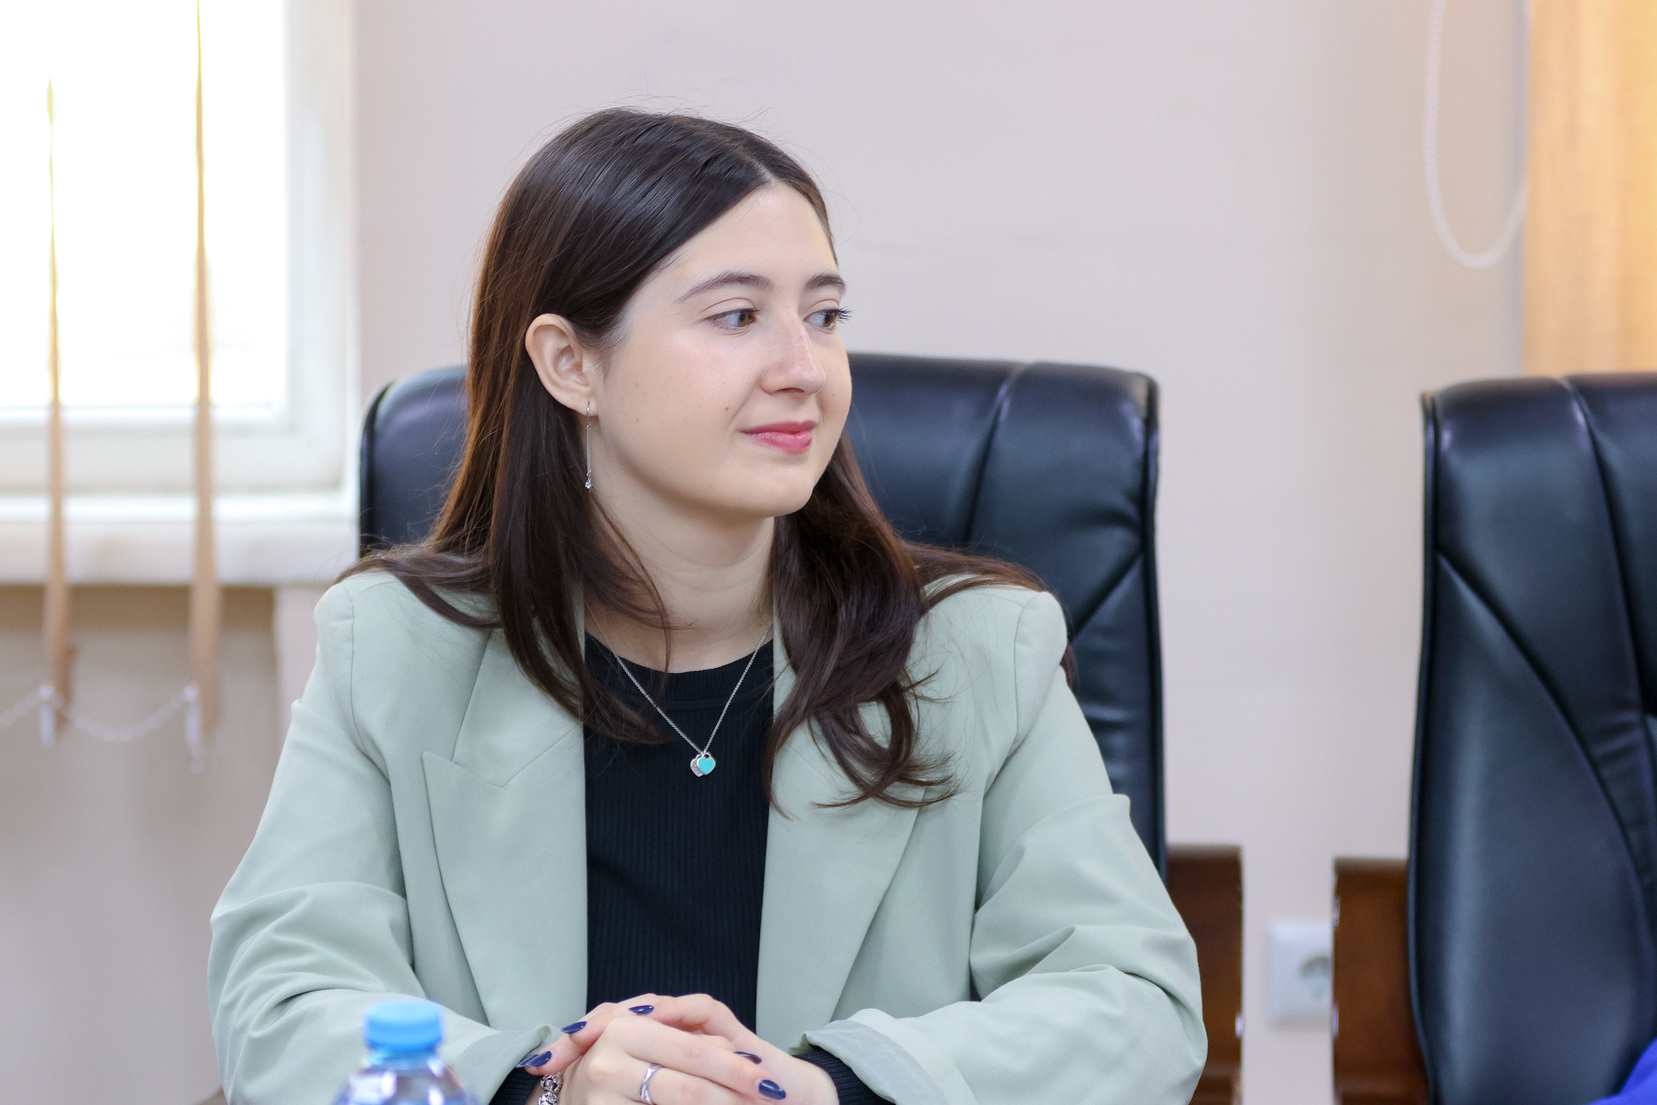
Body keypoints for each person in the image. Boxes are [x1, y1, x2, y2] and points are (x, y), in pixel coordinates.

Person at [208, 109, 1204, 1105]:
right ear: (570, 363)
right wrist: (540, 1095)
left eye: (823, 315)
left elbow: (1135, 1004)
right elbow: (281, 1004)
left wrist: (834, 1092)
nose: (803, 368)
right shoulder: (395, 649)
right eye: (736, 316)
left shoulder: (975, 652)